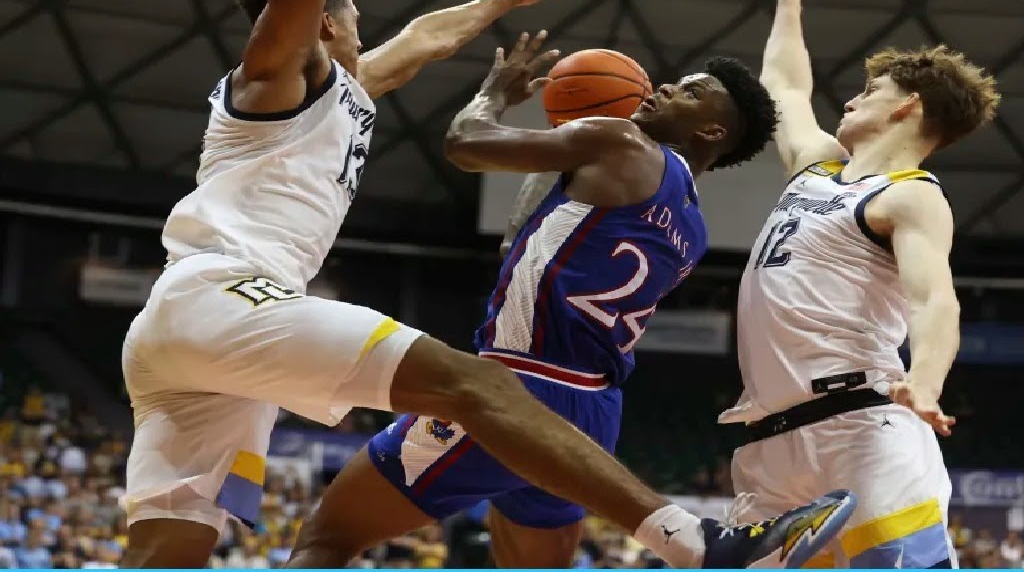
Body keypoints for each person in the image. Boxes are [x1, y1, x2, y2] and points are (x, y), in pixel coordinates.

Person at [118, 0, 854, 568]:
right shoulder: (277, 70)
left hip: (193, 336)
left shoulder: (344, 90)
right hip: (227, 294)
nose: (366, 32)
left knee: (173, 544)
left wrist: (497, 6)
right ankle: (695, 543)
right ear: (323, 23)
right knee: (476, 387)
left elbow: (415, 46)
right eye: (353, 21)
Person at [287, 29, 858, 569]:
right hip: (593, 411)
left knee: (327, 537)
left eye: (691, 92)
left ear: (711, 131)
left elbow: (465, 145)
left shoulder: (621, 141)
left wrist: (494, 95)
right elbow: (546, 241)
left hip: (512, 387)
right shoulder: (692, 228)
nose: (665, 87)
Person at [718, 0, 1001, 569]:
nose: (852, 96)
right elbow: (784, 89)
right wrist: (789, 1)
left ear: (910, 108)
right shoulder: (816, 166)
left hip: (861, 428)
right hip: (767, 444)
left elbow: (936, 303)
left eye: (872, 90)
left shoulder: (912, 197)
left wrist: (925, 383)